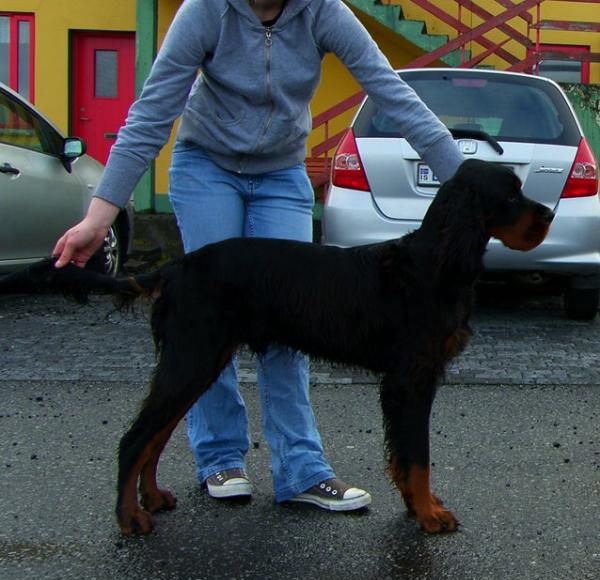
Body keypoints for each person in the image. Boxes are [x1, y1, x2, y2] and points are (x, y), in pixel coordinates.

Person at [53, 0, 464, 511]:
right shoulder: (206, 11)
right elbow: (154, 111)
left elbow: (393, 94)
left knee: (298, 320)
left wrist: (463, 182)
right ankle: (220, 458)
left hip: (281, 172)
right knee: (211, 322)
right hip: (207, 167)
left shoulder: (323, 12)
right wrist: (100, 215)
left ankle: (301, 469)